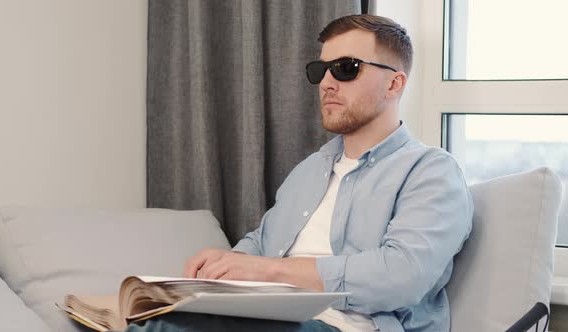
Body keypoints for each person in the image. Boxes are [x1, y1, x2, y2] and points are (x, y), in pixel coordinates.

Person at [126, 14, 473, 332]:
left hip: (350, 325)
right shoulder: (309, 170)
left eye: (346, 68)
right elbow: (262, 243)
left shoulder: (430, 171)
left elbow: (402, 276)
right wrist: (228, 262)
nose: (326, 84)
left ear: (394, 84)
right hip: (269, 314)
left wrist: (267, 271)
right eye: (320, 71)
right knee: (149, 321)